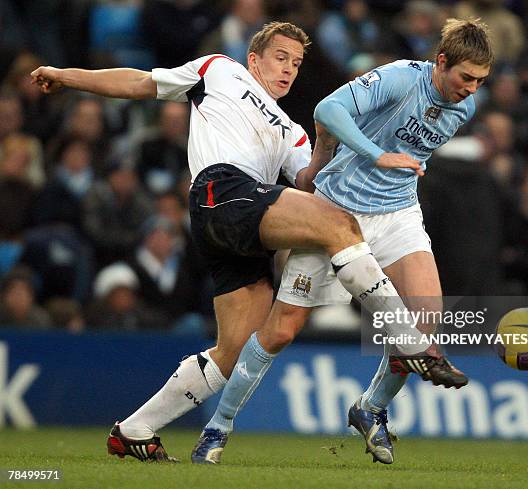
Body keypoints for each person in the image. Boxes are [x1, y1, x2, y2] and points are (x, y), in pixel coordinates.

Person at [31, 21, 428, 462]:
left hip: (245, 222)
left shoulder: (290, 129)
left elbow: (309, 182)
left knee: (234, 348)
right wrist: (68, 75)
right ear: (253, 58)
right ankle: (404, 334)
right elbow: (141, 82)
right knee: (336, 224)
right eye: (281, 57)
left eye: (296, 64)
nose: (289, 70)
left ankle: (135, 429)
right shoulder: (219, 69)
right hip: (223, 191)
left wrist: (322, 146)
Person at [192, 18, 493, 465]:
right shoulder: (399, 77)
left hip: (398, 214)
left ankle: (370, 409)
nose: (471, 89)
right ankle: (218, 426)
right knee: (280, 331)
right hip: (336, 212)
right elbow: (328, 111)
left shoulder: (463, 108)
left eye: (481, 81)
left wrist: (392, 167)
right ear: (441, 61)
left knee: (425, 320)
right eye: (466, 78)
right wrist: (372, 154)